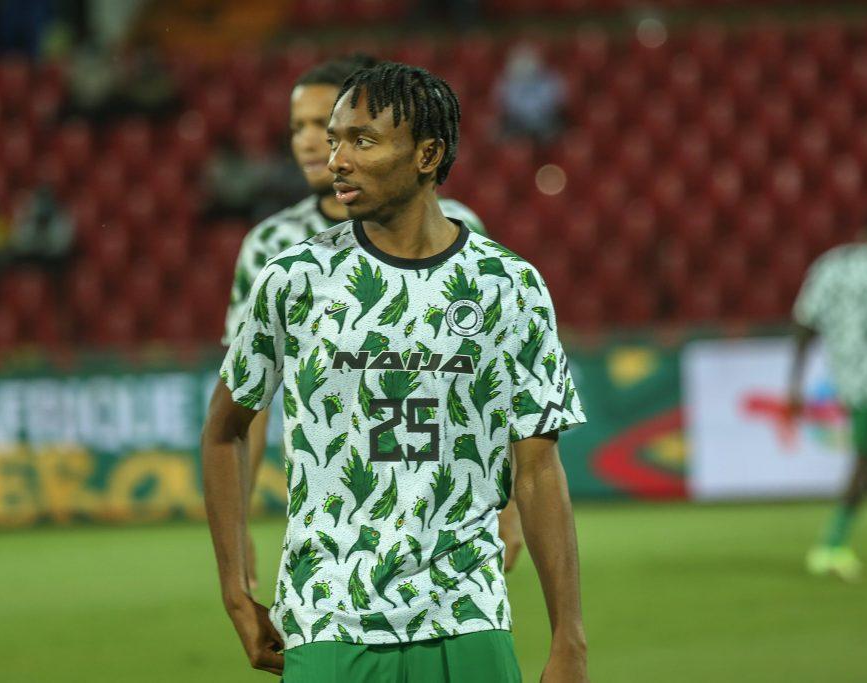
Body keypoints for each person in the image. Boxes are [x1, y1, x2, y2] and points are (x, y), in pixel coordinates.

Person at [203, 61, 589, 681]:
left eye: (362, 141)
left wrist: (569, 638)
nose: (335, 161)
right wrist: (233, 587)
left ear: (428, 154)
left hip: (468, 613)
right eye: (333, 141)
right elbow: (224, 431)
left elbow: (540, 469)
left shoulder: (506, 286)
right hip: (327, 615)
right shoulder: (291, 278)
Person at [218, 54, 524, 592]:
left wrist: (514, 501)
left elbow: (494, 385)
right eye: (301, 128)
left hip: (448, 518)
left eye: (329, 127)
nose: (314, 144)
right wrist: (238, 525)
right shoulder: (273, 248)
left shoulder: (461, 230)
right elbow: (248, 398)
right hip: (337, 524)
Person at [789, 211, 867, 580]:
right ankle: (830, 545)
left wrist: (793, 383)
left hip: (844, 376)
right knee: (866, 462)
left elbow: (805, 323)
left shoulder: (829, 266)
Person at [494, 43, 567, 143]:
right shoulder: (504, 81)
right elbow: (503, 106)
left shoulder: (552, 79)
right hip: (516, 124)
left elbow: (557, 103)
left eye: (528, 61)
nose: (525, 64)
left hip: (546, 122)